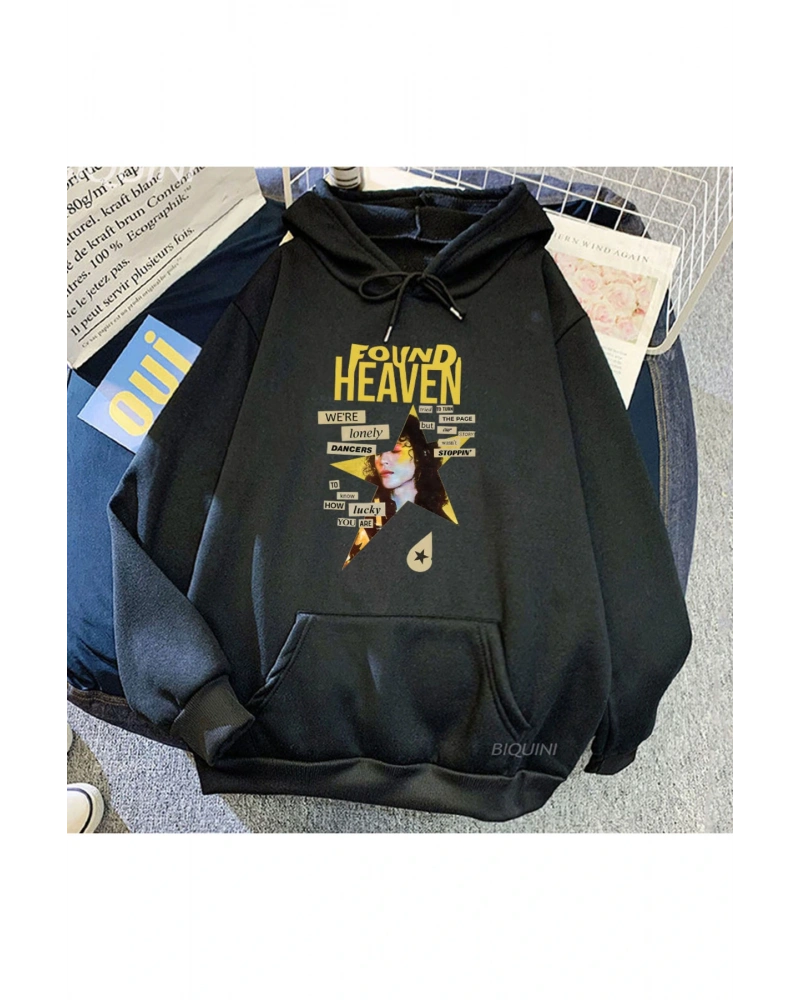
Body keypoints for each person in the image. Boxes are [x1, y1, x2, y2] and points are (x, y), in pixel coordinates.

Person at [344, 413, 449, 565]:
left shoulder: (439, 524)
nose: (382, 460)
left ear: (421, 454)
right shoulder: (361, 513)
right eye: (378, 453)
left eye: (394, 450)